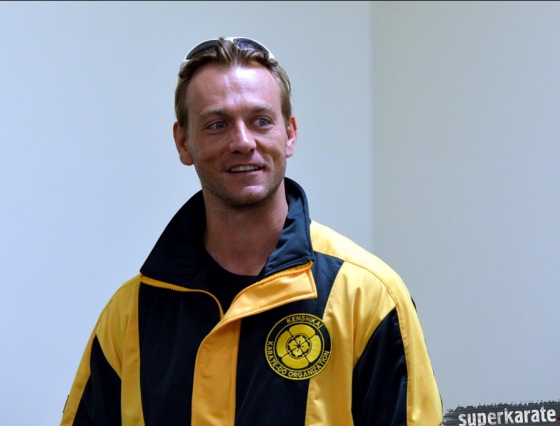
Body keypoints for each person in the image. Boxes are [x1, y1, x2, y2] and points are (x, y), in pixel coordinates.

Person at [60, 37, 442, 426]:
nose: (242, 142)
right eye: (217, 124)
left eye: (261, 121)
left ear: (289, 134)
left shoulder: (369, 297)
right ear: (183, 142)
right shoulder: (130, 315)